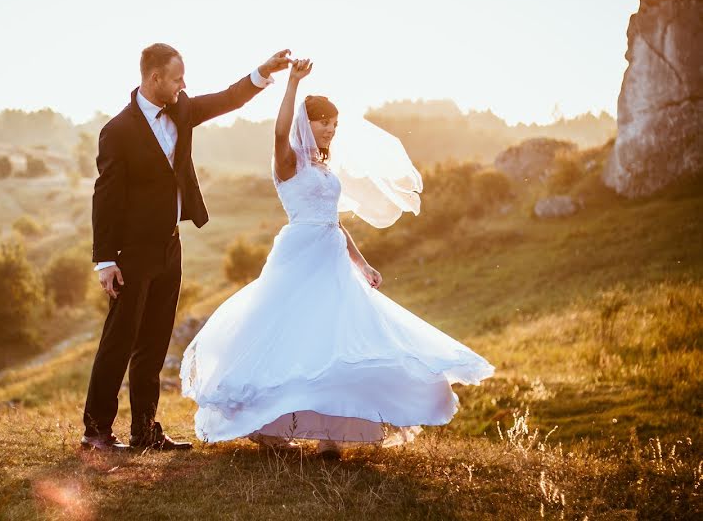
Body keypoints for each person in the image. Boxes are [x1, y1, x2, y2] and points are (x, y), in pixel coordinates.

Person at [179, 59, 495, 458]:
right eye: (322, 122)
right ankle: (273, 434)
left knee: (335, 340)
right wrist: (292, 82)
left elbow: (334, 222)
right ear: (304, 125)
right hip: (297, 257)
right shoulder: (288, 160)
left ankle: (332, 434)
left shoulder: (325, 170)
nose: (329, 128)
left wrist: (361, 263)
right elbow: (279, 130)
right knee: (290, 338)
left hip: (330, 256)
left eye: (333, 123)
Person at [82, 43, 292, 451]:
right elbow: (104, 197)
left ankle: (144, 432)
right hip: (130, 253)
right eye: (177, 78)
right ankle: (95, 432)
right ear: (154, 78)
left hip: (169, 247)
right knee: (119, 341)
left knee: (155, 341)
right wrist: (105, 261)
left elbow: (227, 99)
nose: (184, 85)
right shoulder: (118, 131)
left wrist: (263, 72)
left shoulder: (181, 110)